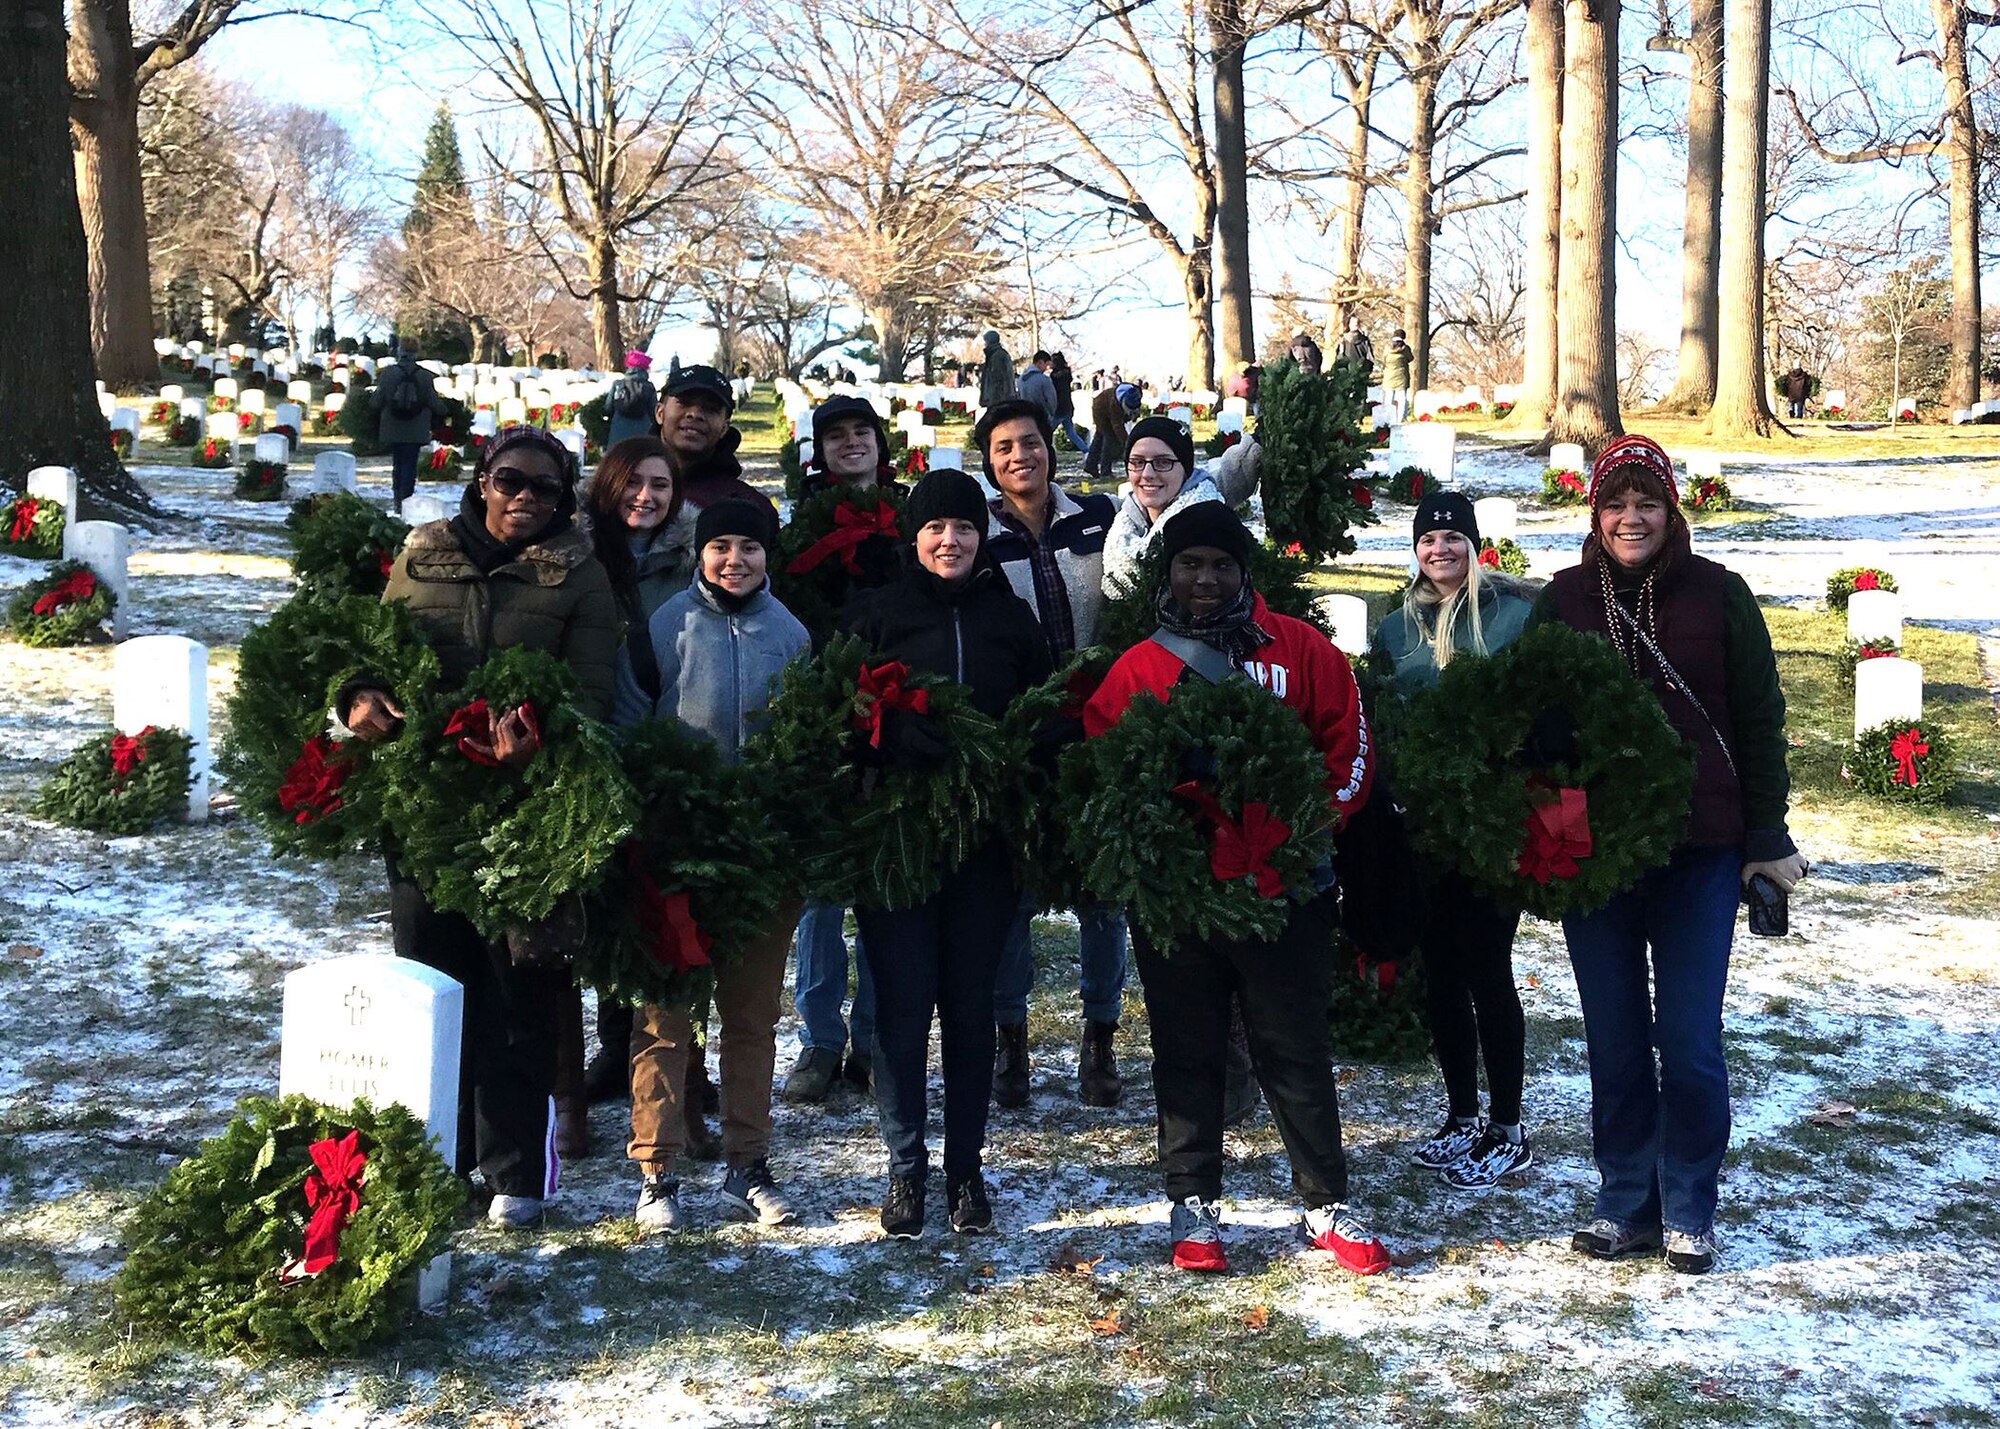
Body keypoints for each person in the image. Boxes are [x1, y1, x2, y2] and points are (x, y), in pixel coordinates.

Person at [1081, 503, 1387, 1276]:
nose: (1206, 580)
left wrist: (1298, 833)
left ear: (1244, 573)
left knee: (1295, 1047)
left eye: (1221, 565)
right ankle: (1194, 1203)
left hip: (1284, 888)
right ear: (1168, 575)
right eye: (1190, 565)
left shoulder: (1303, 650)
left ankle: (1324, 1201)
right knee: (1188, 1049)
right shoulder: (1140, 668)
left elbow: (1347, 746)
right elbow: (1104, 770)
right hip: (1179, 900)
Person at [1528, 434, 1806, 1275]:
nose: (1631, 517)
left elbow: (1758, 718)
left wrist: (1766, 837)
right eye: (1616, 503)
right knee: (1613, 1039)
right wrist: (1544, 825)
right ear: (1595, 513)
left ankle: (1690, 1203)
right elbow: (1531, 727)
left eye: (1646, 501)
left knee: (1686, 1037)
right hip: (1597, 857)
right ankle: (1625, 1204)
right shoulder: (1565, 600)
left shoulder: (1719, 595)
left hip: (1701, 851)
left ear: (1671, 508)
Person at [340, 426, 621, 1228]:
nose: (526, 498)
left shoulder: (580, 574)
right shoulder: (421, 557)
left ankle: (514, 1172)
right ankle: (442, 1156)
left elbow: (593, 694)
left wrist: (538, 740)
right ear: (481, 481)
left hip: (527, 813)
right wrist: (359, 700)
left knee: (519, 989)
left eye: (545, 488)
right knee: (437, 978)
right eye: (510, 481)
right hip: (425, 809)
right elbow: (372, 658)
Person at [841, 470, 1053, 1238]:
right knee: (900, 1012)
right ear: (914, 536)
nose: (950, 540)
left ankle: (965, 1167)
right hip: (897, 845)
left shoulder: (1010, 616)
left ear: (980, 535)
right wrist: (885, 735)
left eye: (963, 527)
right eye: (935, 528)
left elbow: (1044, 708)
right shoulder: (879, 615)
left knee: (969, 1008)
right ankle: (906, 1168)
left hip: (983, 845)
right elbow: (840, 711)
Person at [616, 498, 810, 1234]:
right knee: (665, 1019)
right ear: (700, 552)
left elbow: (805, 741)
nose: (735, 559)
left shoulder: (792, 635)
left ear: (769, 554)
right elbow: (633, 734)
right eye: (720, 545)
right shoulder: (665, 629)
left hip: (761, 858)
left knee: (751, 1017)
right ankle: (657, 1169)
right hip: (675, 854)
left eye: (750, 547)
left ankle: (747, 1164)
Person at [1372, 493, 1536, 1190]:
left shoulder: (1515, 613)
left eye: (1452, 537)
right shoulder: (1394, 628)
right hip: (1425, 826)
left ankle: (1507, 1123)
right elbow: (1380, 714)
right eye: (1428, 538)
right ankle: (1461, 1112)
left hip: (1493, 823)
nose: (1439, 549)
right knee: (1439, 969)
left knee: (1487, 966)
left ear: (1474, 544)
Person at [977, 398, 1130, 1107]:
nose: (1020, 456)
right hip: (1020, 736)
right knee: (1012, 899)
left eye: (1030, 442)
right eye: (1004, 447)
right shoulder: (975, 534)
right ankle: (1012, 1044)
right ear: (990, 460)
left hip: (1096, 725)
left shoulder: (1094, 517)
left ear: (1050, 447)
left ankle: (1099, 1041)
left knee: (1105, 895)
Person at [782, 394, 914, 1106]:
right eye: (837, 436)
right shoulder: (805, 525)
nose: (852, 443)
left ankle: (870, 1037)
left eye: (862, 431)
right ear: (820, 450)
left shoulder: (907, 518)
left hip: (897, 714)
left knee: (883, 890)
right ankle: (819, 1037)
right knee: (822, 895)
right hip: (825, 718)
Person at [577, 436, 706, 1140]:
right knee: (606, 902)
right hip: (594, 727)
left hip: (663, 732)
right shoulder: (576, 552)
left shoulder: (688, 559)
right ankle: (610, 1044)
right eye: (633, 484)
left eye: (659, 485)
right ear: (609, 487)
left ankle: (683, 1063)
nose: (646, 497)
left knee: (667, 906)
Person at [1099, 414, 1261, 593]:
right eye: (1137, 462)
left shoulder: (1204, 525)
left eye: (1163, 462)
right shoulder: (1125, 520)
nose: (1147, 474)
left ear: (1186, 469)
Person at [653, 364, 776, 521]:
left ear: (724, 428)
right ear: (660, 413)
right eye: (684, 403)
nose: (695, 414)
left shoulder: (750, 509)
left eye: (710, 409)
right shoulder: (620, 488)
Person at [372, 341, 441, 513]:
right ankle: (406, 500)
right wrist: (447, 411)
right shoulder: (425, 376)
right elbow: (433, 401)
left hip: (393, 425)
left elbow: (376, 401)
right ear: (416, 353)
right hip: (416, 426)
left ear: (400, 351)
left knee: (398, 465)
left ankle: (397, 501)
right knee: (410, 465)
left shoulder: (388, 373)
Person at [1085, 382, 1142, 480]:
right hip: (1100, 410)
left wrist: (1133, 415)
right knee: (1108, 438)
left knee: (1100, 437)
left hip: (1108, 408)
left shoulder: (1135, 393)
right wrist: (1127, 442)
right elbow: (1117, 427)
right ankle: (1105, 471)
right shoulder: (1114, 404)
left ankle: (1090, 466)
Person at [606, 351, 658, 448]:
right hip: (642, 431)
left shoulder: (617, 384)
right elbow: (653, 411)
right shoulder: (649, 387)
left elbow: (608, 408)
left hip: (618, 430)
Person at [1048, 352, 1089, 455]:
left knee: (1047, 432)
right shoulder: (1067, 374)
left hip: (1059, 408)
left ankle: (1046, 451)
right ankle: (1086, 450)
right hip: (1068, 407)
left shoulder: (1054, 376)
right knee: (1071, 433)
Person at [1018, 351, 1059, 433]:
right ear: (1040, 362)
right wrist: (1051, 415)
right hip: (1042, 418)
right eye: (1046, 364)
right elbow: (1052, 401)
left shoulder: (1021, 379)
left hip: (1026, 419)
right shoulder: (1044, 380)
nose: (1047, 368)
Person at [977, 330, 1016, 412]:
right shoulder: (995, 354)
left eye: (986, 341)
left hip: (998, 398)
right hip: (998, 398)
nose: (985, 344)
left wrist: (992, 399)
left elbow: (996, 379)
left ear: (990, 341)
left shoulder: (997, 356)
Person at [1382, 329, 1415, 423]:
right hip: (1402, 376)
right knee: (1402, 399)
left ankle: (1388, 420)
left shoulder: (1387, 348)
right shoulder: (1406, 349)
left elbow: (1384, 359)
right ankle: (1401, 419)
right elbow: (1411, 358)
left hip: (1389, 376)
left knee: (1389, 399)